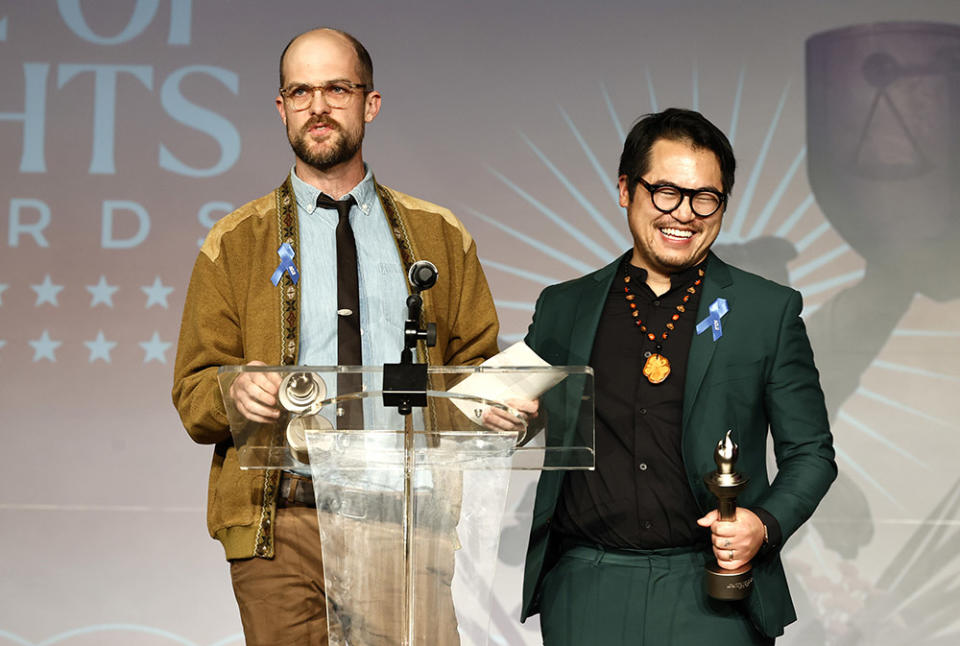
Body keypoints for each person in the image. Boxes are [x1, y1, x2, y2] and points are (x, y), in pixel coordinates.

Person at [171, 27, 499, 646]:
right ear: (281, 109)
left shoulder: (439, 235)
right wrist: (234, 391)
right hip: (284, 521)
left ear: (370, 103)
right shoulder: (235, 242)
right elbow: (193, 394)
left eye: (336, 88)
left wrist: (496, 402)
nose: (317, 106)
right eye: (300, 91)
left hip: (403, 519)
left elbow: (476, 370)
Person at [519, 108, 836, 645]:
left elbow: (811, 453)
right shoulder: (563, 307)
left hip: (713, 591)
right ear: (626, 189)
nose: (684, 214)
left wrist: (763, 524)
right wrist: (505, 419)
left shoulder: (767, 311)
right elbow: (511, 410)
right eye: (665, 191)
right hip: (585, 584)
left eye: (705, 197)